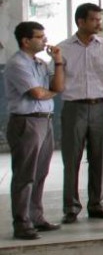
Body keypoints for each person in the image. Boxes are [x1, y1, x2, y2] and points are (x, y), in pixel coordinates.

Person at [58, 3, 103, 223]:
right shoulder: (63, 49)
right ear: (81, 22)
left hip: (100, 107)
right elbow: (56, 80)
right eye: (95, 19)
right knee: (72, 159)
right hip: (73, 108)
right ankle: (71, 207)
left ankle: (96, 204)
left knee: (98, 158)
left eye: (99, 19)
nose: (99, 23)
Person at [5, 21, 66, 240]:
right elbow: (37, 94)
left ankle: (36, 217)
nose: (45, 40)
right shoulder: (17, 64)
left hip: (44, 121)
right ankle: (22, 223)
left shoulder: (39, 63)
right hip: (26, 122)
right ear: (26, 41)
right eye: (40, 37)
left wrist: (58, 62)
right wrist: (49, 93)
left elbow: (57, 87)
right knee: (25, 175)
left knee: (40, 173)